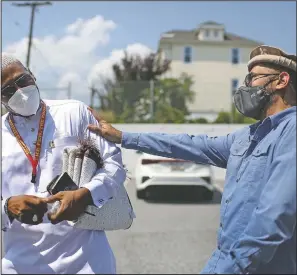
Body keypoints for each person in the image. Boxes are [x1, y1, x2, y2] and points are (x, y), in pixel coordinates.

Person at [87, 45, 296, 274]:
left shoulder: (291, 131)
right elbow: (189, 144)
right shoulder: (247, 136)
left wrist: (231, 268)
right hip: (224, 259)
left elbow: (274, 217)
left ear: (281, 80)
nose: (246, 86)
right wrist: (123, 137)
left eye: (253, 78)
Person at [1, 53, 126, 274]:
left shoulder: (74, 112)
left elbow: (113, 164)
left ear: (33, 76)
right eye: (8, 90)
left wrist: (86, 193)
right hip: (20, 264)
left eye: (23, 80)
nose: (20, 92)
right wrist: (7, 207)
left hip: (89, 262)